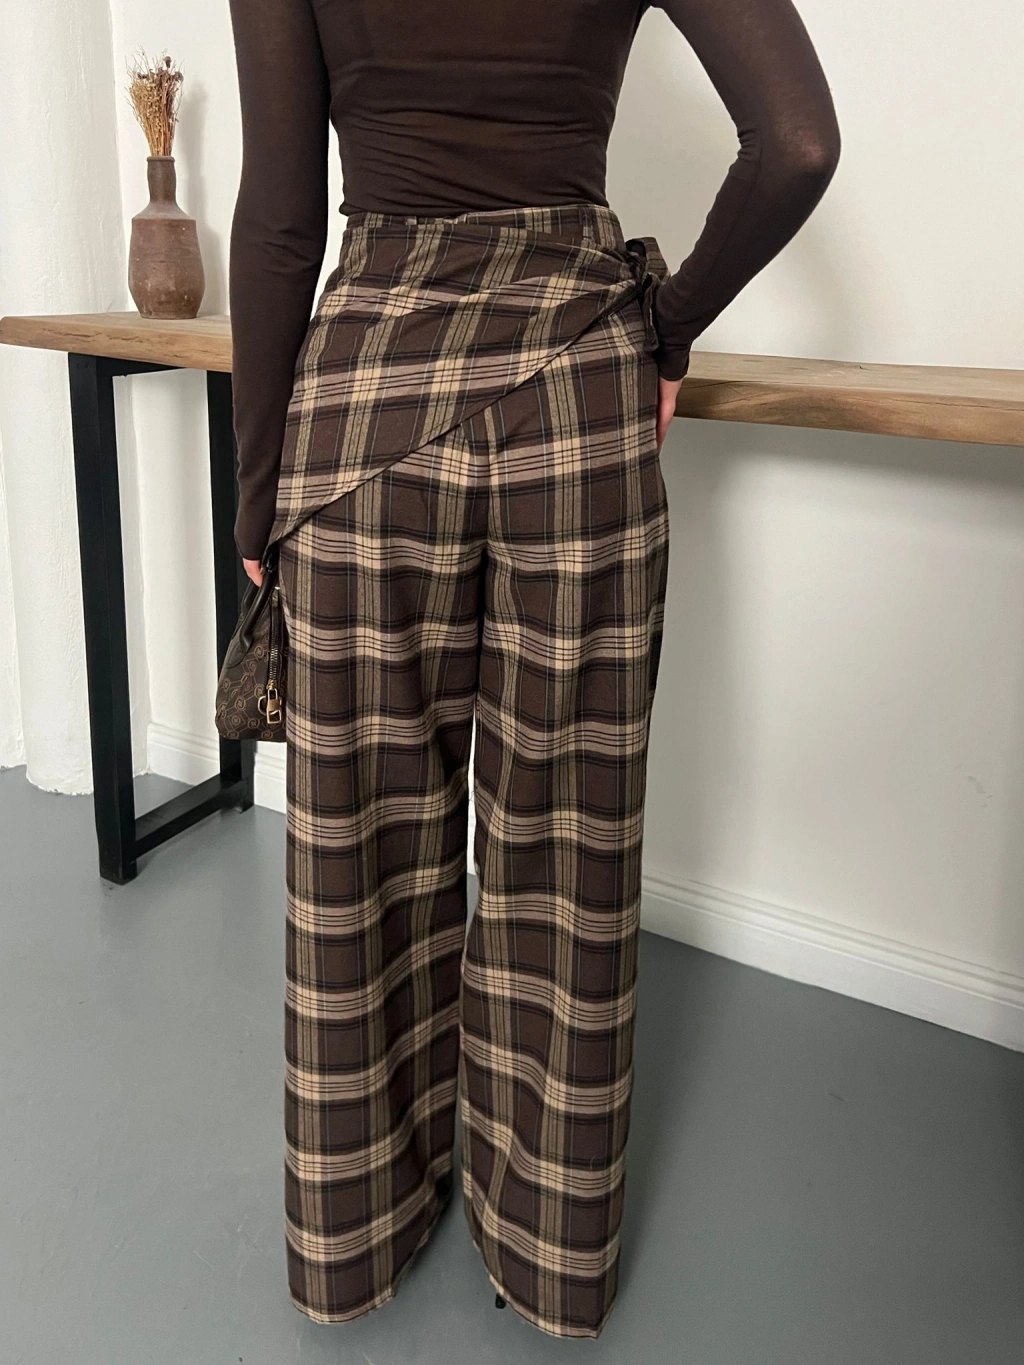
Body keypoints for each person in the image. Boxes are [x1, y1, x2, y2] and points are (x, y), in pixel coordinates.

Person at [226, 0, 840, 1339]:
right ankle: (553, 1255)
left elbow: (278, 219)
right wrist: (666, 326)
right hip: (578, 396)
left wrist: (257, 492)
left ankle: (353, 1240)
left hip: (367, 412)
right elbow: (797, 142)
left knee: (357, 851)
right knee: (568, 844)